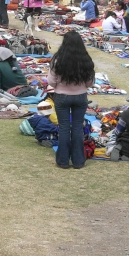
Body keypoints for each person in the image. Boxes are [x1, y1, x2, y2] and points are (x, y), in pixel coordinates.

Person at [48, 31, 95, 169]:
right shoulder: (86, 60)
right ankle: (78, 161)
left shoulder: (57, 60)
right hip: (80, 97)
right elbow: (90, 83)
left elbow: (51, 81)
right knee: (77, 127)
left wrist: (61, 84)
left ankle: (63, 161)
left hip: (61, 97)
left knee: (63, 128)